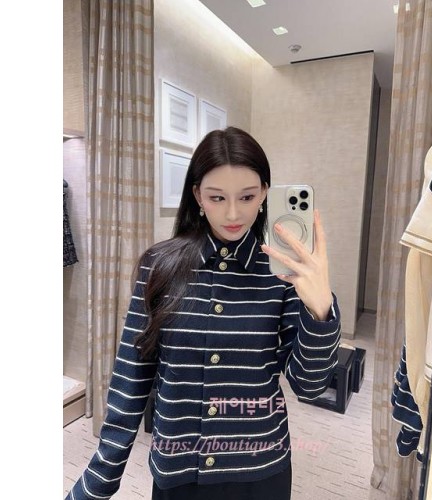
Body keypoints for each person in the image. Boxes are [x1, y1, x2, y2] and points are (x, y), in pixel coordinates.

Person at [66, 126, 341, 500]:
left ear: (264, 193)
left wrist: (320, 309)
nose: (233, 213)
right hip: (178, 471)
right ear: (197, 195)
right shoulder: (158, 265)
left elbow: (309, 385)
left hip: (260, 471)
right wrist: (99, 479)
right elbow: (132, 375)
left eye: (247, 196)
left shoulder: (284, 273)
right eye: (217, 197)